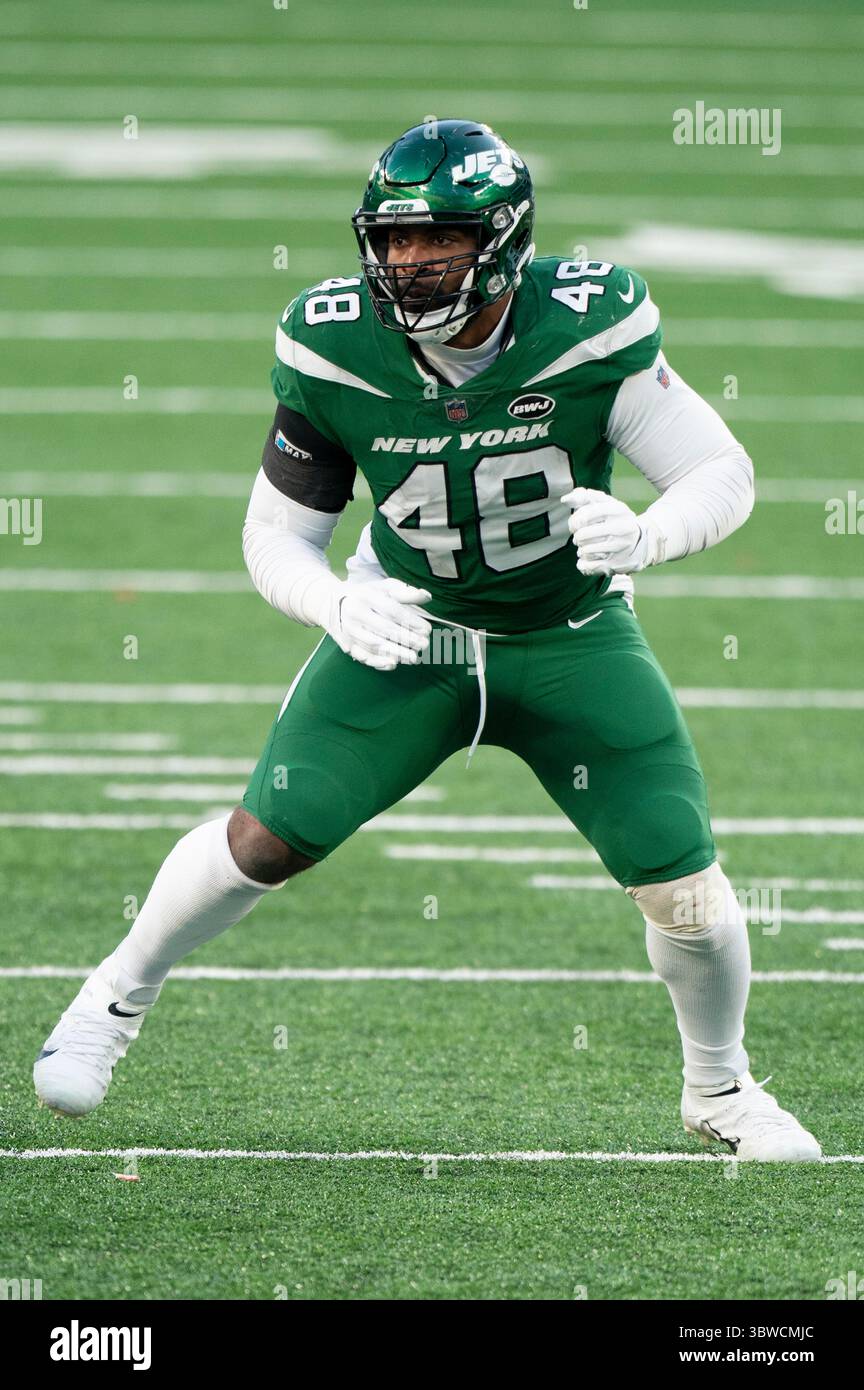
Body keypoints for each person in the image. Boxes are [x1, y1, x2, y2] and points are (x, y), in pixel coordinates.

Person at [35, 119, 820, 1161]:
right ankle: (111, 1000)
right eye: (393, 240)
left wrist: (650, 533)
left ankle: (719, 1089)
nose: (409, 262)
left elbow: (722, 472)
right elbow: (276, 536)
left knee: (685, 882)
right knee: (268, 834)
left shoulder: (589, 325)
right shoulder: (332, 341)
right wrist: (331, 603)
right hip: (415, 631)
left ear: (501, 238)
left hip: (569, 630)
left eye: (437, 239)